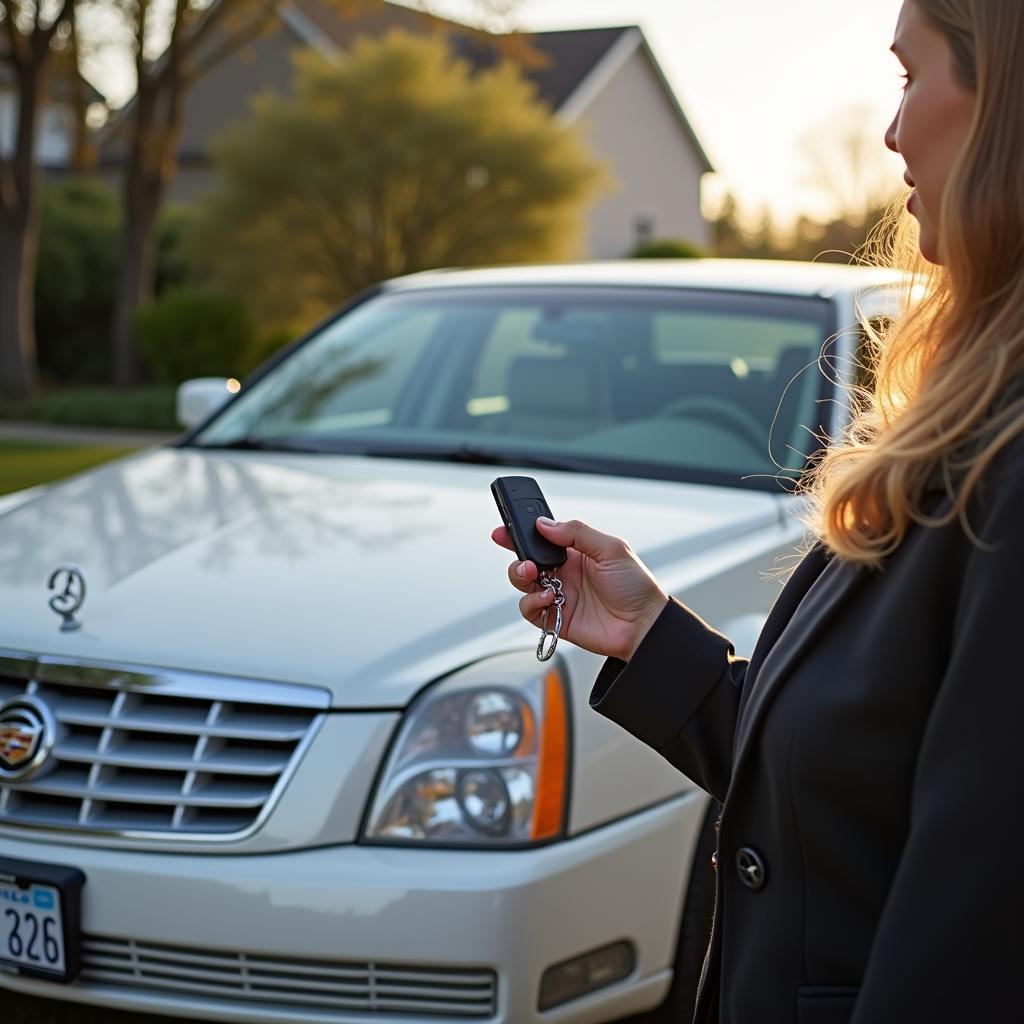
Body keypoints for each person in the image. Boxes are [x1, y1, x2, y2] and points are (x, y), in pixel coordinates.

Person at [492, 2, 1024, 1022]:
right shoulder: (975, 426)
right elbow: (850, 800)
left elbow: (970, 941)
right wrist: (645, 635)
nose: (892, 130)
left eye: (911, 78)